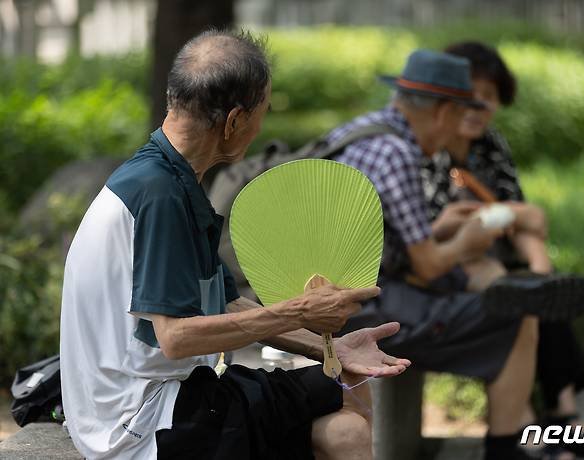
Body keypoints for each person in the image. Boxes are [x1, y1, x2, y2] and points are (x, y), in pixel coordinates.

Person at [59, 29, 411, 460]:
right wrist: (301, 311)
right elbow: (175, 339)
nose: (261, 126)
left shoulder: (169, 179)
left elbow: (227, 304)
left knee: (345, 414)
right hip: (142, 422)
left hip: (160, 403)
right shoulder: (159, 195)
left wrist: (330, 347)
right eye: (262, 112)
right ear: (234, 121)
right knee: (344, 396)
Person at [332, 49, 584, 460]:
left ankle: (534, 430)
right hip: (364, 308)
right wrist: (465, 243)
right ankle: (510, 446)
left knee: (508, 289)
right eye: (460, 113)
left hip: (342, 292)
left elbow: (383, 239)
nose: (461, 127)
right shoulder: (398, 153)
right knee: (516, 312)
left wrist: (446, 230)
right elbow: (429, 263)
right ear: (441, 113)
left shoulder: (363, 134)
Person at [426, 40, 584, 460]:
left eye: (487, 98)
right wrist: (510, 218)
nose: (475, 106)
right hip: (450, 267)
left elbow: (526, 217)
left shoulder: (490, 144)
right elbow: (437, 231)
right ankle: (530, 428)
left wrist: (539, 262)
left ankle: (564, 418)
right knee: (520, 297)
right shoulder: (427, 146)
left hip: (496, 262)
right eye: (467, 95)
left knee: (541, 289)